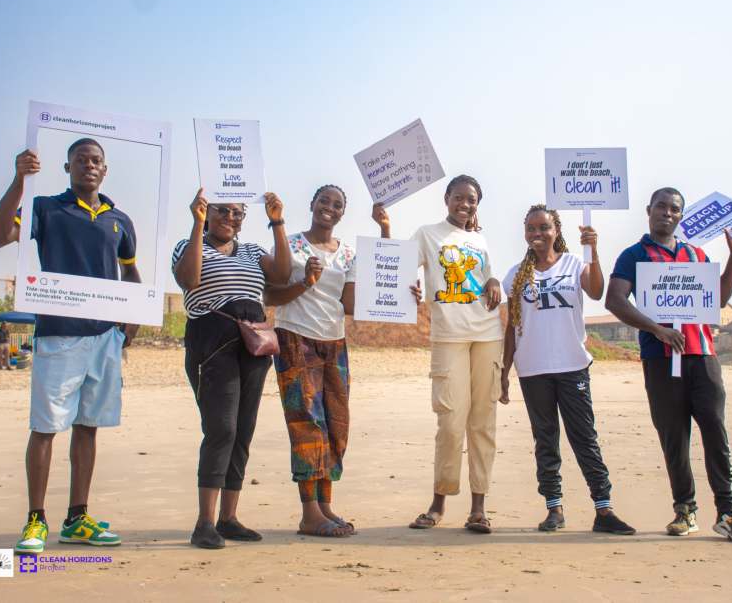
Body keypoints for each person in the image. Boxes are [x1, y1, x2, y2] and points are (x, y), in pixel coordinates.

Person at [0, 140, 140, 553]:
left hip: (105, 338)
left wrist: (132, 323)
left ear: (105, 170)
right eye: (81, 160)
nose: (88, 165)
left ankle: (77, 518)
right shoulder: (46, 209)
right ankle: (35, 520)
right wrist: (20, 180)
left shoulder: (119, 219)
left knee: (88, 426)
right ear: (66, 166)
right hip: (58, 334)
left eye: (96, 161)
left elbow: (131, 274)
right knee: (45, 428)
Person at [605, 187, 732, 543]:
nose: (667, 213)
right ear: (649, 211)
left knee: (715, 432)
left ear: (680, 216)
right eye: (661, 207)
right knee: (674, 438)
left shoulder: (696, 254)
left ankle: (728, 511)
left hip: (702, 356)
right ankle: (685, 510)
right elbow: (614, 299)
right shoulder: (634, 255)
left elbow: (716, 299)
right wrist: (656, 329)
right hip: (660, 360)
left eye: (674, 209)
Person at [372, 175, 504, 534]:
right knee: (450, 422)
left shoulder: (480, 238)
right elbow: (395, 268)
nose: (465, 204)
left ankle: (479, 507)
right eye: (458, 197)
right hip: (448, 336)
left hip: (488, 335)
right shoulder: (427, 234)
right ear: (446, 199)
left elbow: (489, 280)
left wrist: (494, 281)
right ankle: (439, 502)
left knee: (482, 422)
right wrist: (386, 229)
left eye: (472, 199)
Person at [499, 205, 635, 535]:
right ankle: (554, 509)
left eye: (544, 227)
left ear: (556, 230)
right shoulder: (516, 275)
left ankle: (604, 510)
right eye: (531, 228)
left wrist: (594, 250)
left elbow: (597, 291)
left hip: (572, 366)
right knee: (545, 440)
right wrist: (504, 373)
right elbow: (511, 327)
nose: (537, 233)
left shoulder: (576, 265)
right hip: (532, 369)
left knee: (584, 438)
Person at [173, 188, 290, 549]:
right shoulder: (189, 245)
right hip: (212, 341)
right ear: (208, 213)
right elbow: (188, 281)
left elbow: (282, 276)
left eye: (237, 213)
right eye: (221, 211)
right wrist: (196, 224)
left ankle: (228, 518)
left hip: (253, 344)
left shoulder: (254, 251)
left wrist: (277, 222)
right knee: (220, 428)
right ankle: (204, 523)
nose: (229, 218)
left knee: (242, 430)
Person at [264, 185, 356, 538]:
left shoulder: (347, 253)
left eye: (336, 204)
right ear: (312, 204)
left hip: (334, 343)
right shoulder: (291, 245)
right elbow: (271, 293)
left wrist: (400, 292)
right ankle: (309, 513)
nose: (328, 208)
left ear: (342, 213)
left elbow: (350, 304)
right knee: (306, 422)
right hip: (295, 338)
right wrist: (305, 282)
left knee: (336, 423)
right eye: (323, 201)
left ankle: (326, 504)